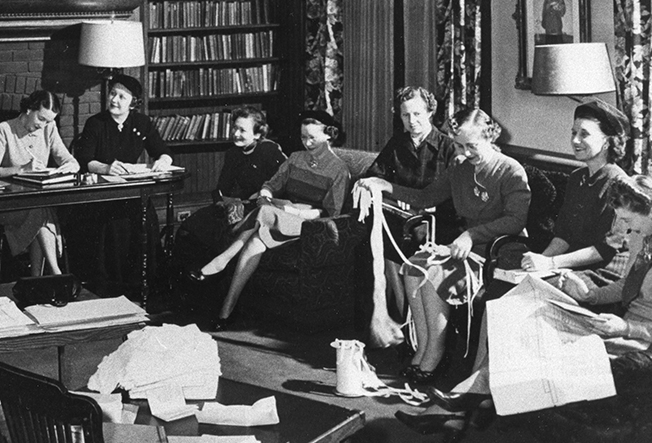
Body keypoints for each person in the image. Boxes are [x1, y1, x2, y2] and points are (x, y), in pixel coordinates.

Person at [405, 175, 652, 443]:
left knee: (541, 344)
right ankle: (470, 400)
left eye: (627, 221)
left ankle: (462, 403)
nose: (624, 230)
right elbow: (628, 284)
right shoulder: (646, 233)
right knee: (521, 309)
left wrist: (626, 328)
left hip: (650, 344)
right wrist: (591, 295)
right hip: (621, 328)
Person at [356, 107, 531, 384]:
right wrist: (384, 185)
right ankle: (423, 348)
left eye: (470, 146)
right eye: (458, 145)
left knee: (434, 273)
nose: (462, 153)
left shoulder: (509, 170)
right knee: (414, 268)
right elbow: (426, 197)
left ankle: (434, 354)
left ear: (490, 137)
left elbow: (515, 220)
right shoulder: (460, 168)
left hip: (500, 252)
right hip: (465, 248)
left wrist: (471, 236)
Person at [192, 112, 351, 329]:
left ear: (328, 135)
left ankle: (221, 261)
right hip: (278, 216)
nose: (307, 142)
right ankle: (226, 312)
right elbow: (271, 183)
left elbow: (330, 213)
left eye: (312, 137)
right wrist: (265, 194)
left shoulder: (339, 169)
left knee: (264, 212)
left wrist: (295, 213)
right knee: (256, 241)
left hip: (307, 224)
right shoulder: (295, 158)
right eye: (303, 137)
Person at [72, 73, 173, 293]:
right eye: (112, 94)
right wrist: (106, 168)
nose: (114, 100)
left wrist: (163, 161)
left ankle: (141, 283)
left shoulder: (142, 123)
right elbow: (84, 159)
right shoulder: (96, 123)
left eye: (121, 97)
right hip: (103, 194)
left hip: (131, 190)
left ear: (133, 103)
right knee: (115, 222)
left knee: (146, 214)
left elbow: (162, 151)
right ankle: (111, 285)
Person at [365, 86, 456, 319]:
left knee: (412, 234)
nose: (411, 120)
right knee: (383, 232)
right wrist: (396, 197)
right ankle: (402, 311)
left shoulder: (448, 147)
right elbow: (372, 176)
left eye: (417, 114)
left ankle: (410, 315)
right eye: (405, 115)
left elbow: (455, 194)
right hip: (400, 216)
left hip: (437, 221)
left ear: (430, 113)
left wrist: (420, 204)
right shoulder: (397, 143)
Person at [521, 99, 629, 274]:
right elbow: (564, 235)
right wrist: (540, 261)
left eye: (584, 134)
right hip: (570, 266)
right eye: (573, 133)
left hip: (603, 271)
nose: (575, 140)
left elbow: (605, 249)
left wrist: (551, 264)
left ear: (607, 142)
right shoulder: (576, 178)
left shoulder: (619, 184)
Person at [0, 90, 80, 276]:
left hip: (35, 202)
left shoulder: (49, 128)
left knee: (40, 210)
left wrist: (69, 167)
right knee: (42, 212)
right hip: (8, 205)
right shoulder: (5, 129)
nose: (44, 125)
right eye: (41, 119)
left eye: (49, 121)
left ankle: (40, 277)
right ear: (29, 109)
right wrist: (21, 169)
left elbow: (69, 160)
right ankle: (55, 273)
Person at [176, 106, 287, 263]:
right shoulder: (232, 153)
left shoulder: (269, 150)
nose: (235, 134)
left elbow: (285, 181)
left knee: (224, 231)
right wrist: (222, 201)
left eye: (242, 130)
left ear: (257, 133)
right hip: (234, 205)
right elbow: (222, 188)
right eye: (234, 128)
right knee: (190, 227)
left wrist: (261, 194)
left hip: (260, 207)